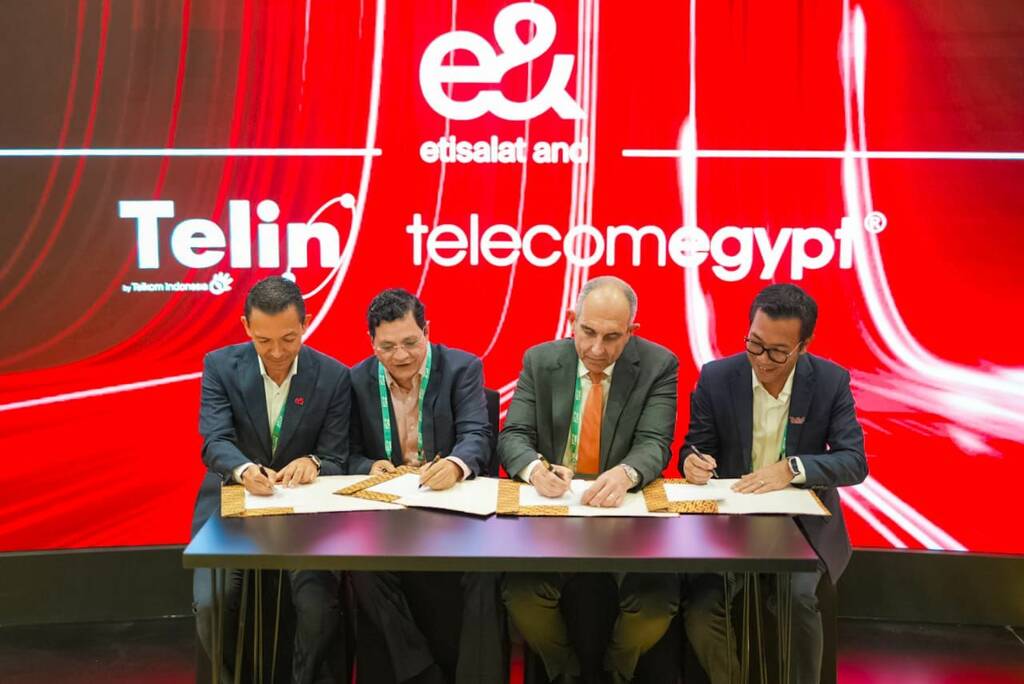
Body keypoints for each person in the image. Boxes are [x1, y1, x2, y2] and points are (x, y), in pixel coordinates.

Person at [679, 283, 868, 684]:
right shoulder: (717, 377)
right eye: (755, 344)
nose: (763, 360)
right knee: (701, 609)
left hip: (801, 526)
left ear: (803, 346)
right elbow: (694, 447)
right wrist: (692, 464)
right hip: (731, 524)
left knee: (797, 599)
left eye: (778, 352)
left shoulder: (831, 381)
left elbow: (854, 462)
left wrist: (791, 469)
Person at [499, 276, 680, 684]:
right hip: (554, 514)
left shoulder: (659, 365)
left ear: (632, 331)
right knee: (523, 596)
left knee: (655, 604)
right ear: (571, 320)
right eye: (588, 332)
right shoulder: (540, 361)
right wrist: (536, 469)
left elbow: (655, 443)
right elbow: (513, 437)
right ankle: (567, 673)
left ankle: (615, 671)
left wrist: (626, 473)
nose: (597, 349)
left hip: (625, 516)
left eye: (613, 337)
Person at [191, 276, 350, 684]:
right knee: (211, 603)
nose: (277, 352)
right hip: (235, 505)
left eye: (289, 339)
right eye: (264, 341)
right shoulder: (220, 366)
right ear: (246, 327)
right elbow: (214, 441)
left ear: (305, 324)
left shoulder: (333, 375)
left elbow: (337, 456)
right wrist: (244, 470)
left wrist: (314, 462)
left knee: (317, 606)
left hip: (302, 513)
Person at [348, 288, 502, 684]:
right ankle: (422, 672)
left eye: (410, 342)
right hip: (388, 513)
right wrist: (368, 466)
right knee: (361, 569)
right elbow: (344, 450)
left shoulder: (461, 368)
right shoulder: (356, 379)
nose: (400, 356)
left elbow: (477, 434)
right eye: (387, 346)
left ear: (427, 331)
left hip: (452, 508)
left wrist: (455, 464)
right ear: (371, 342)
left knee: (484, 573)